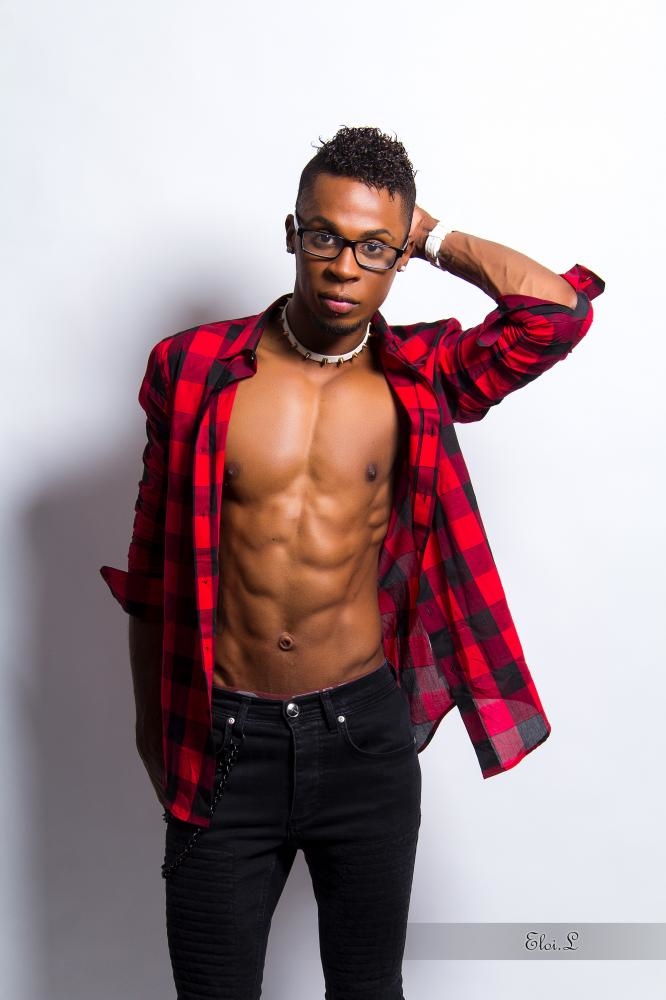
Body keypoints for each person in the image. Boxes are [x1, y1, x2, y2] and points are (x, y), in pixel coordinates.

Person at [100, 126, 605, 1000]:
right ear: (291, 233)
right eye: (325, 237)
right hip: (224, 738)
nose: (343, 267)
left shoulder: (420, 375)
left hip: (364, 739)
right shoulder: (190, 368)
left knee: (369, 989)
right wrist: (155, 727)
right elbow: (150, 569)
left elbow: (555, 315)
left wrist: (436, 234)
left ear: (400, 258)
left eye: (375, 247)